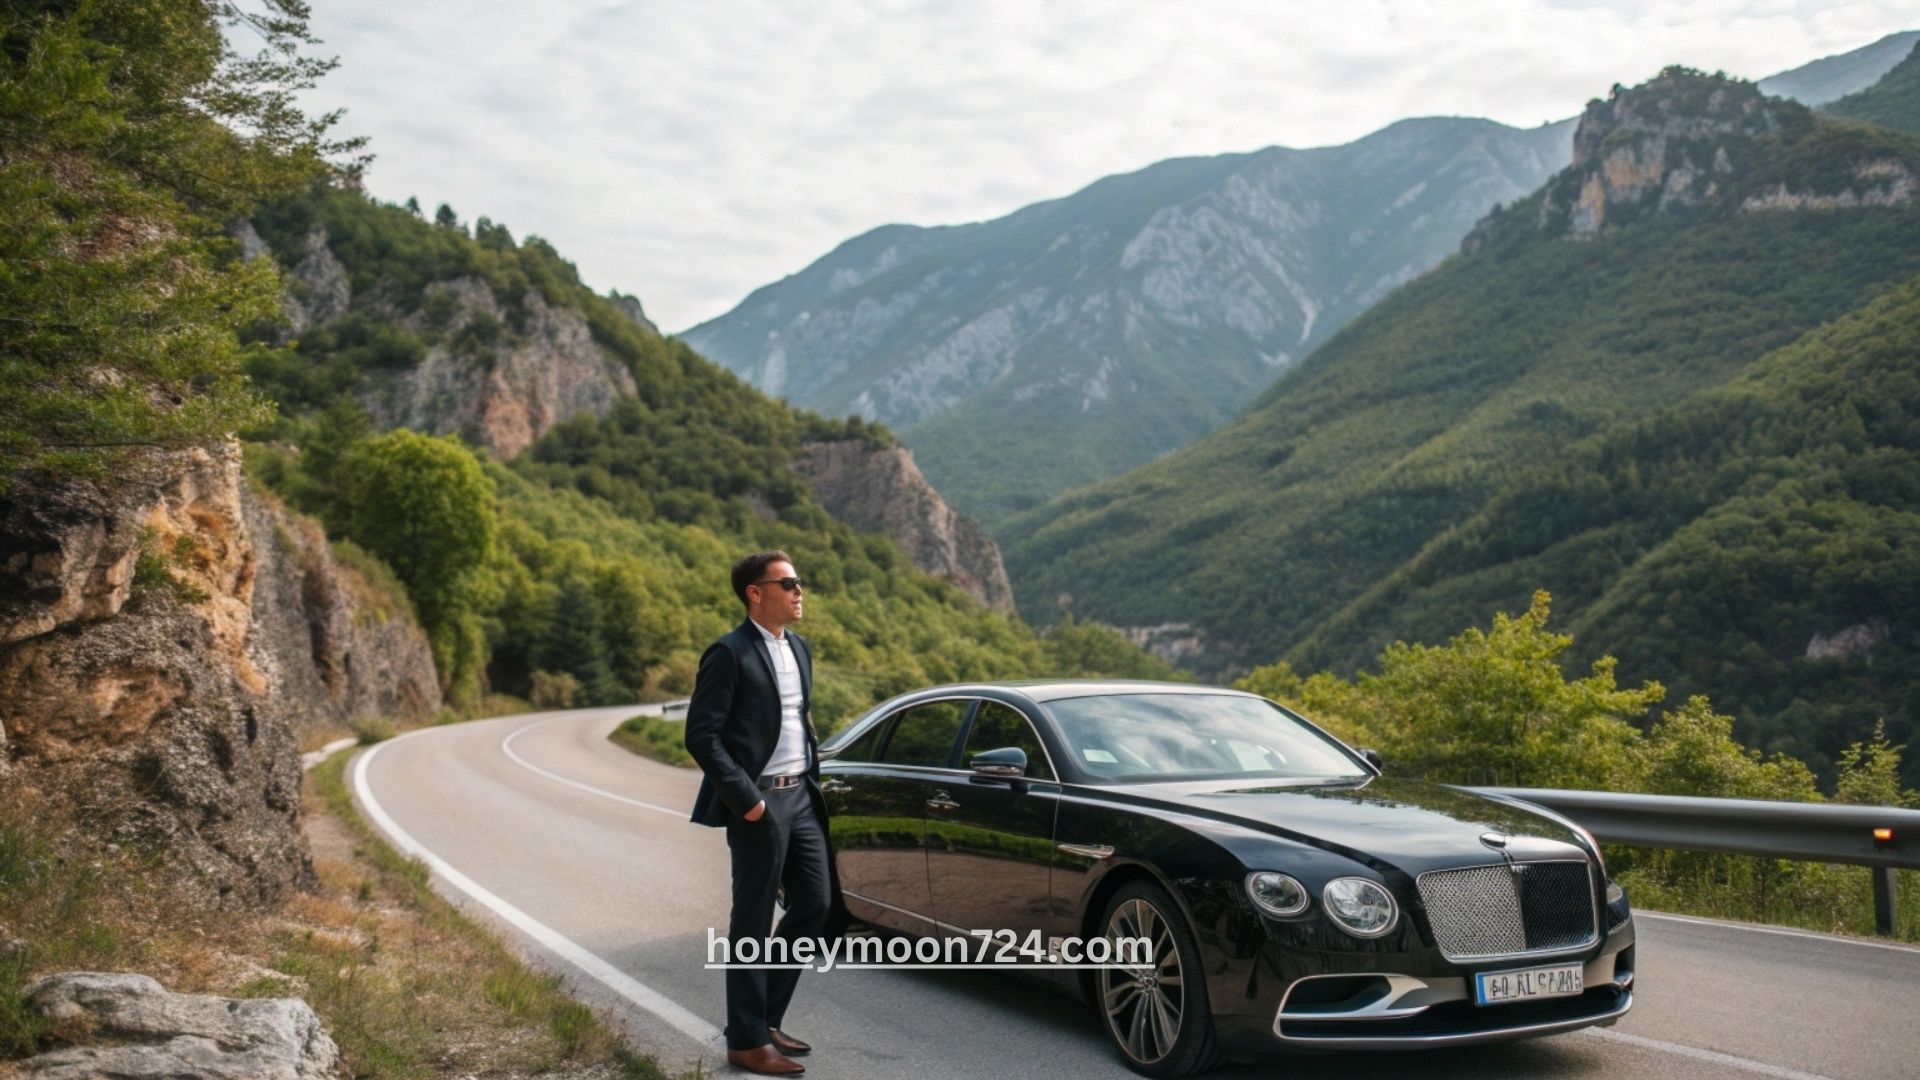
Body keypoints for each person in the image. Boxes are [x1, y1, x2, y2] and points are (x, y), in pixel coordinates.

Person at [685, 550, 844, 1076]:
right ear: (755, 593)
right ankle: (747, 1043)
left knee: (815, 905)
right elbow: (701, 735)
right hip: (759, 801)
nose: (800, 591)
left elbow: (797, 719)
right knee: (752, 921)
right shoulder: (728, 653)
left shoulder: (799, 648)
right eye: (788, 583)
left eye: (799, 582)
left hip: (801, 796)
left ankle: (763, 1022)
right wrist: (747, 800)